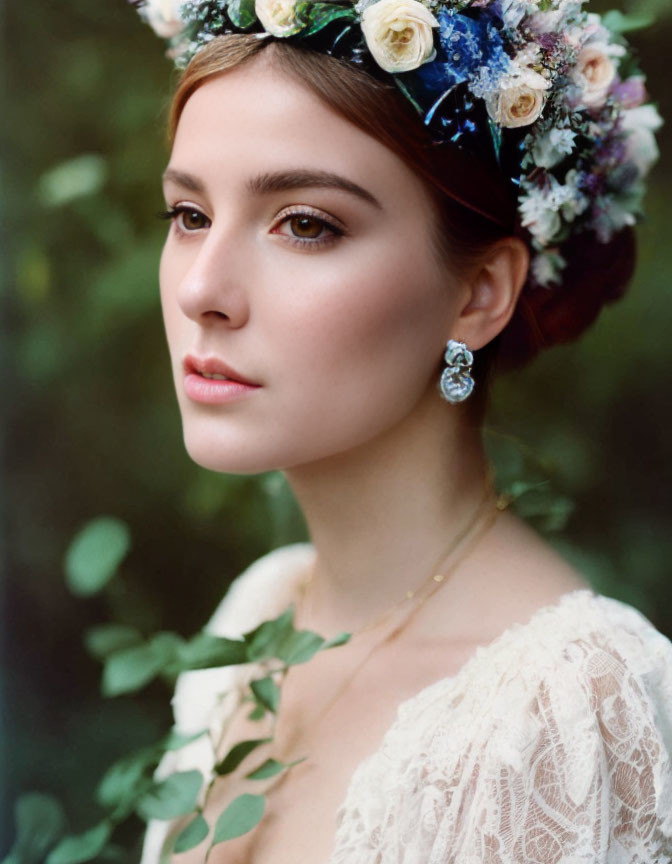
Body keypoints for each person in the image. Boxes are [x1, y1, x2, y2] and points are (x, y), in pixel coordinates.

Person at [132, 0, 672, 860]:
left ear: (479, 294)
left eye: (305, 224)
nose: (203, 288)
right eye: (189, 215)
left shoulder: (569, 715)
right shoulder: (263, 613)